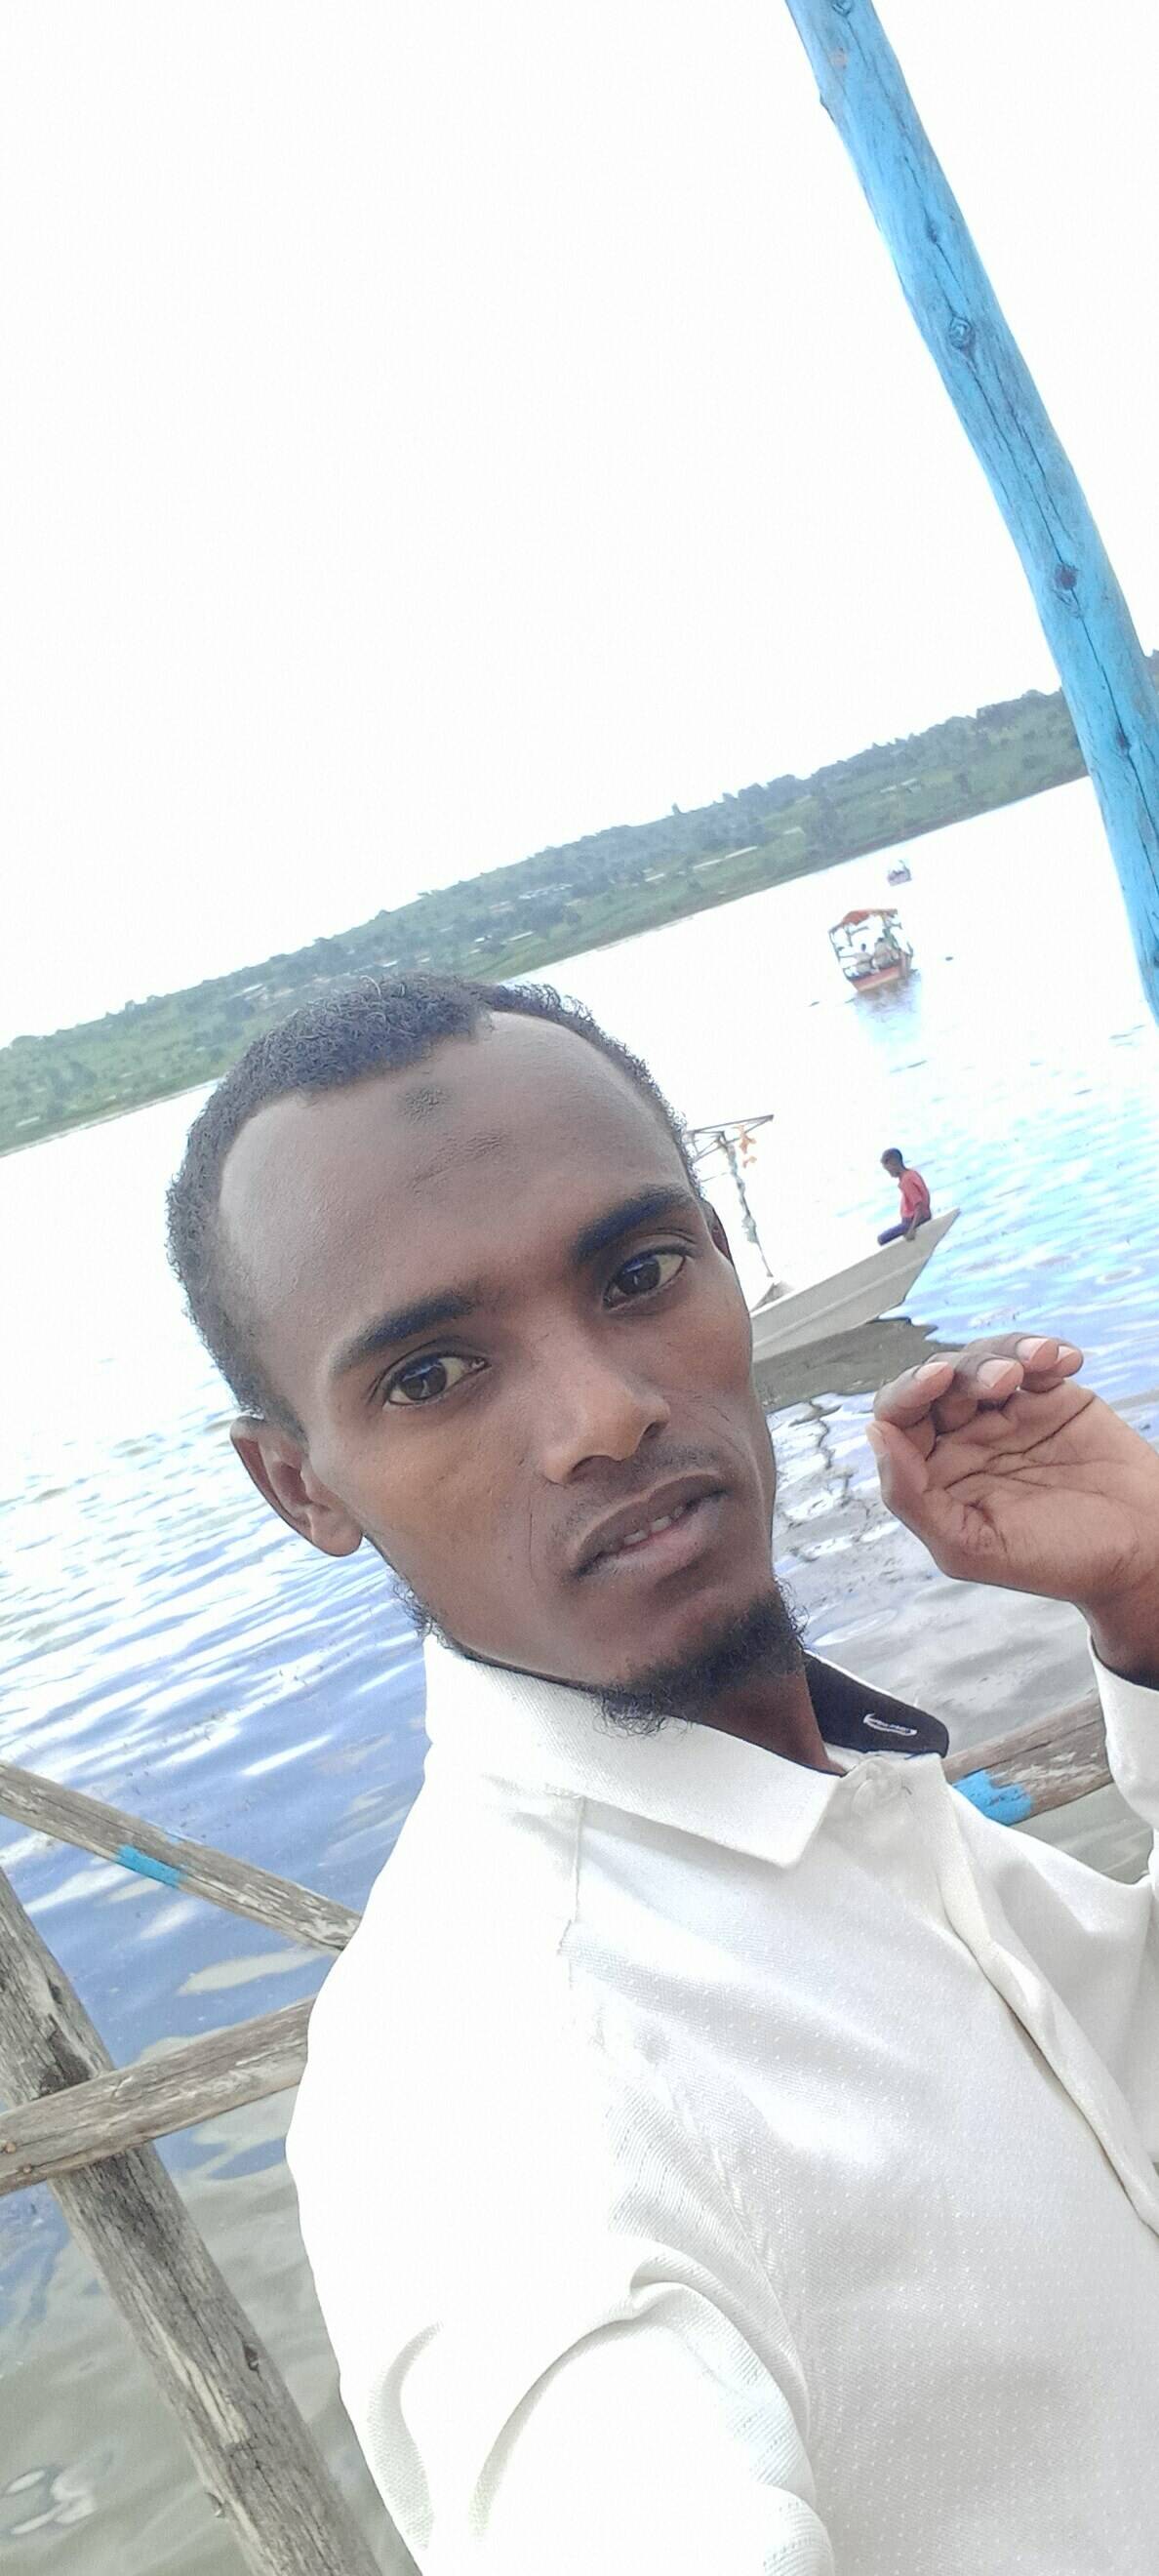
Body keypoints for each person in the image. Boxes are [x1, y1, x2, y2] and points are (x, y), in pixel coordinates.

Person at [166, 975, 1159, 2576]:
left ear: (722, 1259)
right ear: (300, 1486)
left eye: (638, 1275)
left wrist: (1143, 1610)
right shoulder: (484, 2098)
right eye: (429, 1374)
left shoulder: (827, 1802)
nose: (605, 1414)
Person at [878, 1142, 931, 1243]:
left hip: (913, 1221)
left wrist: (912, 1229)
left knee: (881, 1239)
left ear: (894, 1163)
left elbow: (919, 1205)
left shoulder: (906, 1181)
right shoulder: (912, 1173)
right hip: (922, 1215)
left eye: (889, 1170)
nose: (889, 1174)